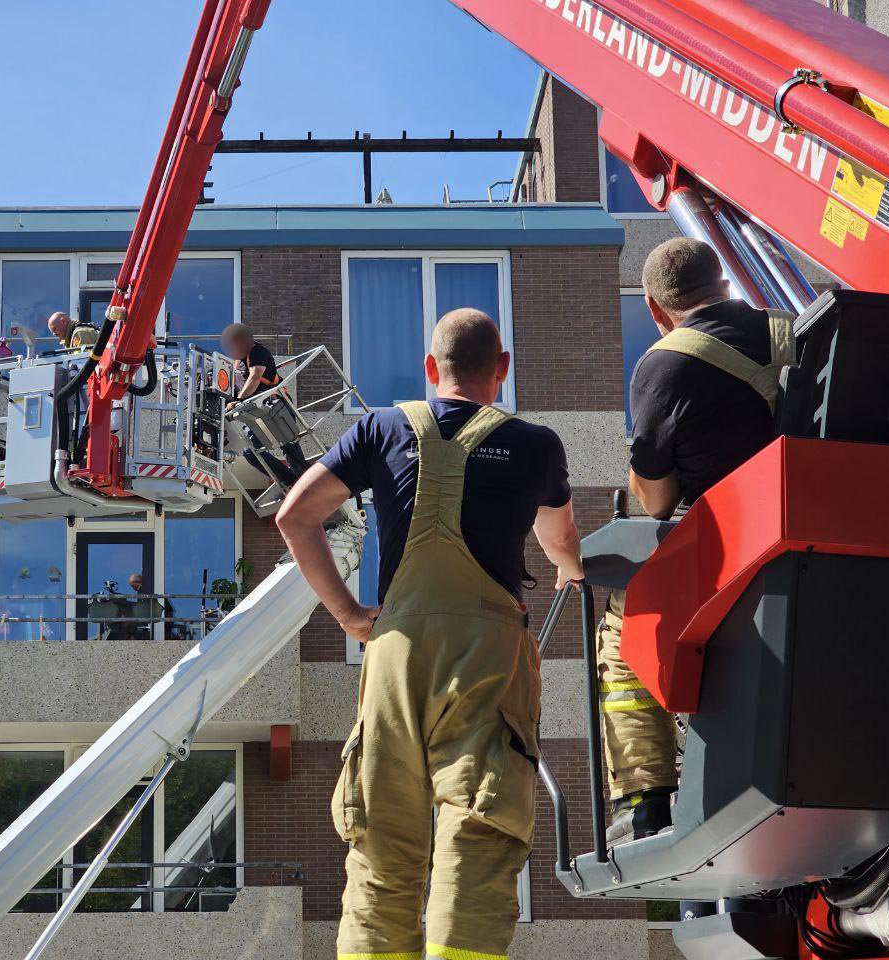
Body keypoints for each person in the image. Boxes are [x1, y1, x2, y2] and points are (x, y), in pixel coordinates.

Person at [276, 308, 583, 960]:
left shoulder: (381, 428)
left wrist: (351, 616)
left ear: (429, 369)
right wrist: (570, 571)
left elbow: (295, 516)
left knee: (383, 848)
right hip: (485, 664)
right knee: (478, 832)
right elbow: (560, 542)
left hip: (394, 659)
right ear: (501, 371)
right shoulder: (536, 445)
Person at [600, 237, 795, 843]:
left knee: (621, 629)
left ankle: (646, 800)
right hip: (812, 546)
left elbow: (655, 500)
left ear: (658, 311)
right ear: (726, 287)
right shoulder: (795, 334)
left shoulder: (666, 363)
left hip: (731, 561)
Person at [220, 322, 309, 486]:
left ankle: (304, 481)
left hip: (274, 405)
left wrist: (238, 401)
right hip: (254, 412)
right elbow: (236, 388)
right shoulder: (238, 362)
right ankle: (289, 480)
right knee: (250, 452)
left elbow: (255, 377)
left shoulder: (257, 351)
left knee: (288, 443)